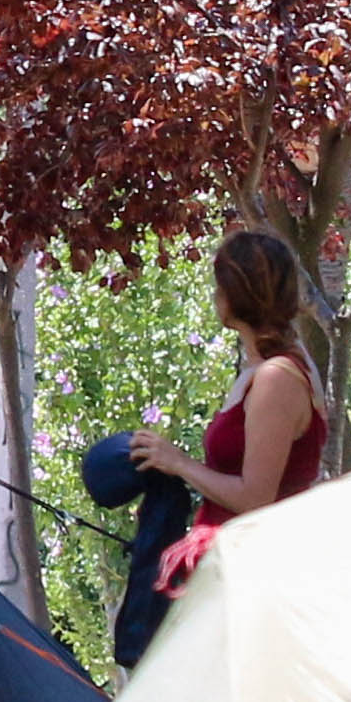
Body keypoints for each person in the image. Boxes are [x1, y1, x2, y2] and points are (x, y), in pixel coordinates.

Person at [133, 229, 327, 596]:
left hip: (259, 576)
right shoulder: (267, 366)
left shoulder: (277, 378)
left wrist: (178, 462)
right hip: (237, 567)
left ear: (233, 296)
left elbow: (255, 497)